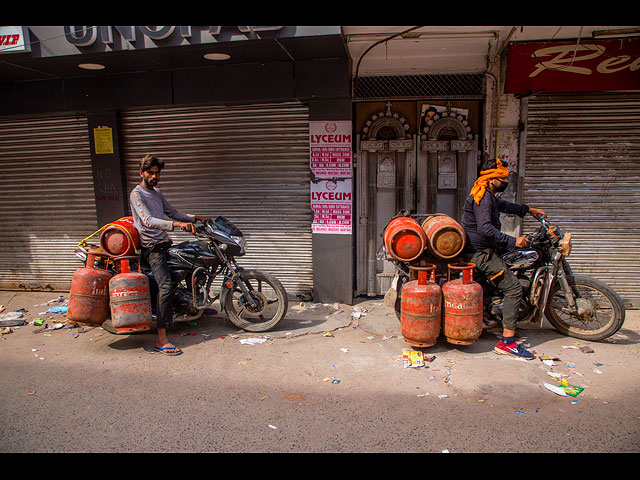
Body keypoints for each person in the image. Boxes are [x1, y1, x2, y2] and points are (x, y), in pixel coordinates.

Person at [460, 158, 546, 360]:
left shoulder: (487, 194)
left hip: (486, 248)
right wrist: (513, 241)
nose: (505, 182)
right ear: (491, 180)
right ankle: (507, 343)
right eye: (502, 178)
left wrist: (528, 210)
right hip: (481, 253)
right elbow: (485, 229)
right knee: (514, 288)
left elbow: (504, 205)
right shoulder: (483, 198)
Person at [130, 155, 211, 356]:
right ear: (142, 173)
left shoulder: (157, 192)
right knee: (165, 285)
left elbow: (172, 212)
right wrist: (178, 226)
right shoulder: (137, 194)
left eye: (157, 173)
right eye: (150, 173)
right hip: (151, 248)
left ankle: (194, 307)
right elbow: (148, 220)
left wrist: (195, 218)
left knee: (191, 264)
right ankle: (161, 338)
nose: (154, 176)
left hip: (164, 244)